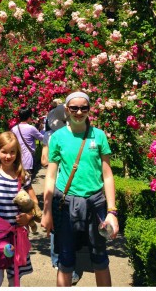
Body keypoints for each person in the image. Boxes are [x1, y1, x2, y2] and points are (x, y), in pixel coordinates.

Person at [41, 91, 119, 287]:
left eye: (84, 107)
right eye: (74, 108)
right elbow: (50, 176)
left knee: (100, 256)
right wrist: (47, 211)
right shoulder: (57, 137)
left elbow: (107, 175)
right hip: (66, 203)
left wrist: (112, 211)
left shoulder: (99, 136)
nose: (79, 112)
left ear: (89, 110)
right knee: (65, 258)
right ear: (67, 110)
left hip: (95, 202)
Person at [0, 131, 37, 287]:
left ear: (17, 153)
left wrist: (28, 218)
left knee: (14, 277)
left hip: (17, 236)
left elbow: (35, 202)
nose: (8, 156)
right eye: (4, 151)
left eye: (12, 152)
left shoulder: (22, 176)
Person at [41, 102, 80, 285]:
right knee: (58, 227)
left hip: (69, 187)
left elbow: (42, 160)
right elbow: (44, 161)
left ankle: (63, 262)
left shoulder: (73, 134)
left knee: (67, 227)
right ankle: (60, 263)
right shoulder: (54, 136)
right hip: (57, 186)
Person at [11, 107, 44, 181]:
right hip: (28, 158)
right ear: (29, 117)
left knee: (18, 180)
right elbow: (42, 138)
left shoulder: (14, 128)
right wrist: (42, 130)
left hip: (17, 157)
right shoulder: (31, 128)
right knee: (27, 181)